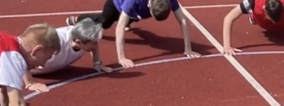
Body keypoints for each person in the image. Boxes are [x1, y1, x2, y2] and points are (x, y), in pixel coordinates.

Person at [67, 0, 202, 69]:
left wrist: (188, 48)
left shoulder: (168, 0)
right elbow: (119, 27)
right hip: (116, 4)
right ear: (149, 5)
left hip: (136, 11)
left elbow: (183, 19)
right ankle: (78, 19)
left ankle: (130, 20)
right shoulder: (134, 1)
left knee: (129, 19)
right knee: (104, 23)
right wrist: (122, 58)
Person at [220, 0, 284, 55]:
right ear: (265, 9)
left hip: (282, 23)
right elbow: (228, 18)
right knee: (260, 19)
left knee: (282, 28)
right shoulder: (252, 1)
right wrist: (227, 46)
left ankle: (279, 22)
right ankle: (253, 16)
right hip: (259, 16)